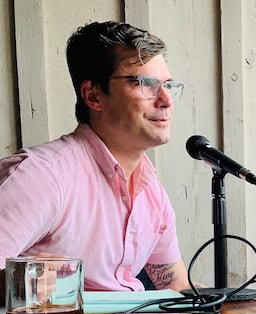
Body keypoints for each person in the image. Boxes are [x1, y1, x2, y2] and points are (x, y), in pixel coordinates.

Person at [0, 21, 191, 293]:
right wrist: (21, 281)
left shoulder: (151, 192)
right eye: (145, 84)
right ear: (93, 96)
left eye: (167, 86)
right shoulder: (41, 176)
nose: (166, 100)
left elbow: (176, 288)